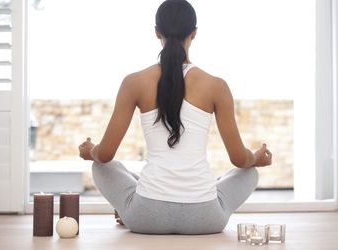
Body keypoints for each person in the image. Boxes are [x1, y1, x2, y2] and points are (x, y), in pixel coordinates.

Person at [79, 0, 272, 235]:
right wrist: (256, 158)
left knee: (102, 167)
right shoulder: (216, 86)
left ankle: (128, 208)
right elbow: (240, 160)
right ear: (194, 33)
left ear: (156, 32)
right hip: (206, 219)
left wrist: (90, 151)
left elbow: (105, 154)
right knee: (248, 173)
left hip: (145, 217)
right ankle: (197, 193)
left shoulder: (134, 83)